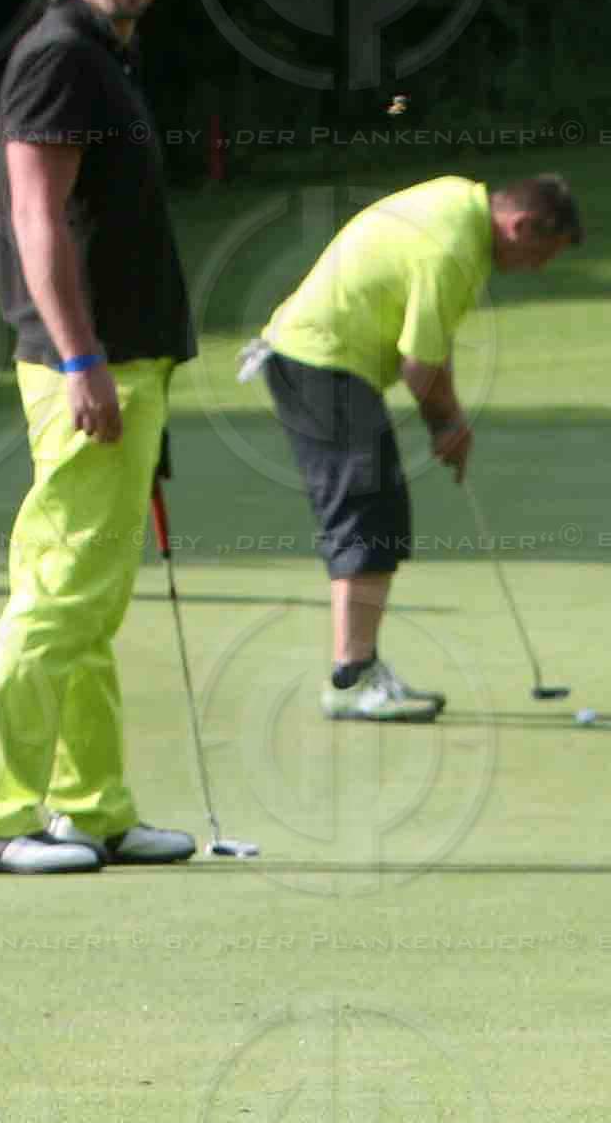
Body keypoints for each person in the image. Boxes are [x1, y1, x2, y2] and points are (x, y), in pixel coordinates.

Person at [0, 0, 200, 876]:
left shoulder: (107, 54)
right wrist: (82, 358)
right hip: (86, 366)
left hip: (125, 360)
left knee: (89, 599)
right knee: (57, 593)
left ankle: (93, 808)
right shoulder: (60, 54)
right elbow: (36, 217)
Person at [242, 174, 581, 720]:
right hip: (318, 360)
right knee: (365, 510)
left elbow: (429, 339)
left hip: (324, 361)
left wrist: (449, 421)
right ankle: (351, 680)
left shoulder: (458, 204)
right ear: (519, 227)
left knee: (378, 509)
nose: (539, 267)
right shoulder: (453, 247)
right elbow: (419, 364)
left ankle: (360, 669)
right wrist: (447, 424)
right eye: (543, 252)